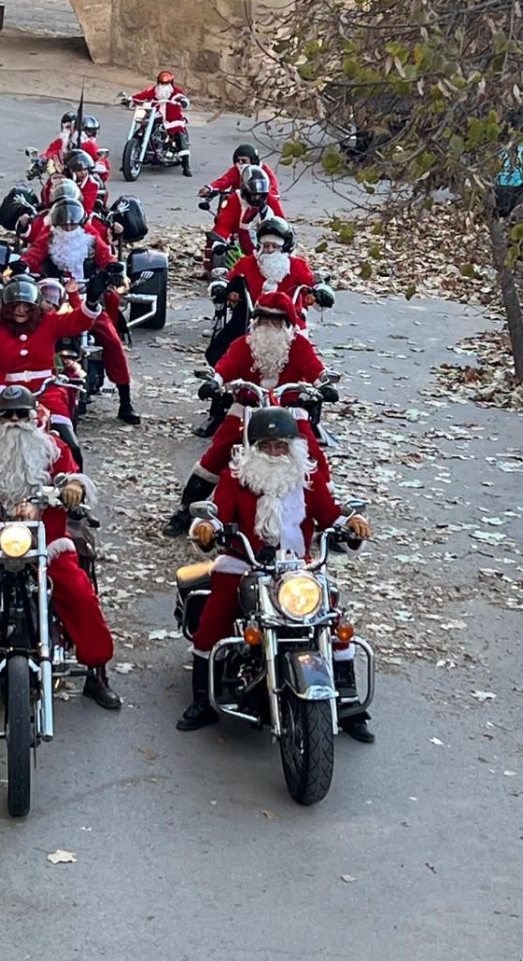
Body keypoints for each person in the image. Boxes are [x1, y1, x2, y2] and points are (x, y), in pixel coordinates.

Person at [176, 407, 371, 737]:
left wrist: (350, 525)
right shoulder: (235, 478)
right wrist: (208, 528)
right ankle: (203, 700)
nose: (275, 453)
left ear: (294, 447)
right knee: (215, 615)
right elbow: (218, 515)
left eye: (281, 446)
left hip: (298, 567)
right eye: (267, 446)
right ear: (253, 449)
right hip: (246, 563)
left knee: (332, 616)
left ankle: (348, 701)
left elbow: (329, 515)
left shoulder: (308, 478)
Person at [0, 385, 120, 708]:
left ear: (34, 417)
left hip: (46, 539)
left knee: (78, 591)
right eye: (7, 414)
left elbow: (72, 477)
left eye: (21, 414)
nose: (14, 421)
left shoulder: (54, 449)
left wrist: (72, 487)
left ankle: (97, 670)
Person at [164, 292, 326, 535]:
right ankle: (187, 510)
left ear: (286, 325)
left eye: (274, 322)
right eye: (262, 321)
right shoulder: (244, 344)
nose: (267, 327)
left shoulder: (299, 346)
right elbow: (227, 365)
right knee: (218, 451)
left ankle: (329, 519)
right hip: (247, 408)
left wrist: (325, 383)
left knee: (312, 454)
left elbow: (315, 368)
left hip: (289, 411)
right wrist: (215, 381)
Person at [0, 272, 102, 457]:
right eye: (15, 306)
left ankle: (73, 482)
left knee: (67, 440)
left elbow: (78, 322)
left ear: (35, 307)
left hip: (44, 392)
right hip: (1, 392)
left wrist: (92, 302)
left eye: (26, 306)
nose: (20, 310)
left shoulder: (49, 323)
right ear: (6, 307)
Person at [23, 199, 140, 424]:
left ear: (81, 223)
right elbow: (32, 257)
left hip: (87, 301)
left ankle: (125, 400)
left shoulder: (92, 241)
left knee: (112, 341)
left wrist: (113, 270)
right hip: (53, 301)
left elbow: (108, 258)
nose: (68, 229)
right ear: (55, 224)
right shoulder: (47, 239)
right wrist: (23, 266)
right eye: (64, 225)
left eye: (72, 224)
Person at [208, 164, 286, 265]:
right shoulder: (234, 200)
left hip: (265, 243)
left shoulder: (271, 200)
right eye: (253, 195)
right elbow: (224, 225)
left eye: (260, 195)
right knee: (217, 249)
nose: (257, 198)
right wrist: (221, 241)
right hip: (236, 243)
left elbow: (281, 223)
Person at [131, 71, 191, 175]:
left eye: (167, 83)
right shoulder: (154, 91)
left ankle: (186, 166)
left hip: (172, 120)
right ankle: (130, 158)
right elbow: (142, 96)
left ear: (171, 83)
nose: (164, 86)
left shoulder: (175, 92)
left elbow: (182, 97)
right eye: (162, 83)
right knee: (140, 131)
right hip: (156, 117)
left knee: (178, 134)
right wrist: (131, 99)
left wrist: (183, 101)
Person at [199, 143, 280, 200]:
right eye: (238, 160)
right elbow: (225, 180)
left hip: (256, 203)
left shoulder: (264, 171)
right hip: (237, 201)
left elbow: (273, 189)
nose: (240, 163)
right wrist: (210, 188)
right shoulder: (235, 170)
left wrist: (263, 196)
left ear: (253, 160)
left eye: (244, 160)